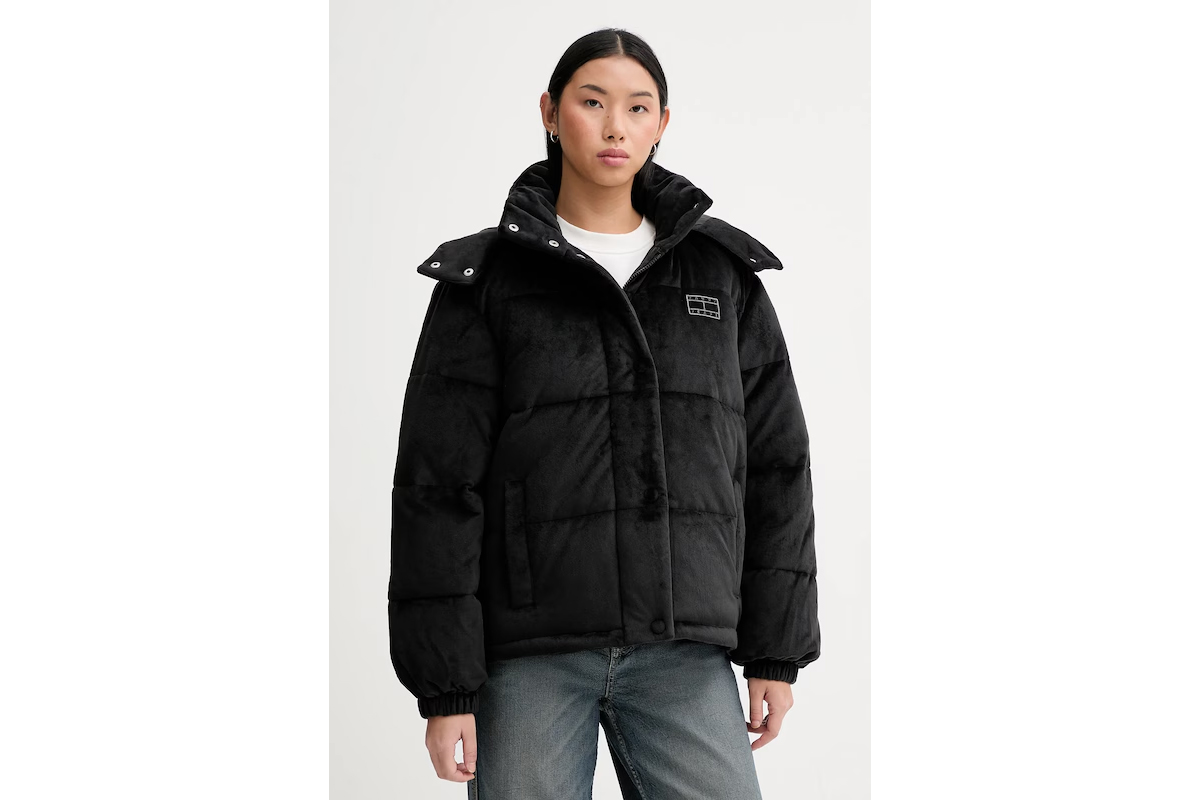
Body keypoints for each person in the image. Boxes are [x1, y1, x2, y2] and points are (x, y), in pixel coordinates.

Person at [388, 27, 820, 800]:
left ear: (662, 123)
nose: (615, 126)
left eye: (637, 107)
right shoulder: (486, 282)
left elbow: (776, 466)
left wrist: (774, 651)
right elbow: (438, 487)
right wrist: (446, 686)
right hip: (529, 654)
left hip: (684, 650)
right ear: (550, 113)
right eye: (592, 103)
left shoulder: (721, 278)